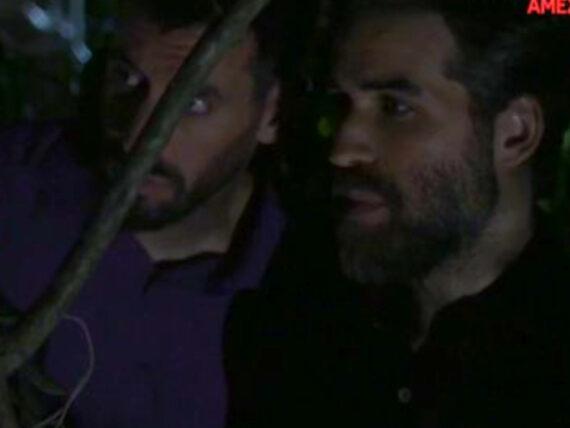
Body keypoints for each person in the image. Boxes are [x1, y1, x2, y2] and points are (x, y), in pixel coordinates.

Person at [226, 1, 570, 427]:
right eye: (340, 104)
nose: (343, 149)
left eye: (395, 108)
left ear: (516, 134)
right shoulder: (297, 322)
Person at [0, 0, 317, 426]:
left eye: (194, 103)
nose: (136, 137)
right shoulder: (19, 183)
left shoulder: (309, 280)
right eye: (125, 79)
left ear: (271, 113)